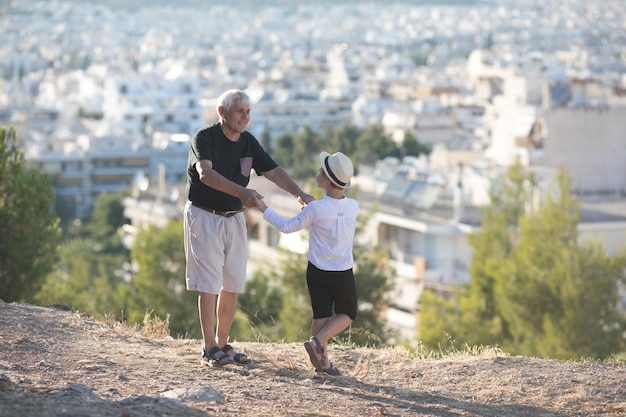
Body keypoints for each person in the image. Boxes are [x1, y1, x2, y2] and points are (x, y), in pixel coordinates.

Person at [183, 89, 314, 367]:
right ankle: (208, 347)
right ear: (222, 112)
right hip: (205, 215)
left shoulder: (248, 143)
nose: (245, 116)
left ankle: (222, 343)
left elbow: (273, 171)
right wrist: (242, 193)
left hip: (234, 217)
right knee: (209, 283)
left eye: (248, 111)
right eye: (240, 111)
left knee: (232, 282)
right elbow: (206, 174)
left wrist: (299, 193)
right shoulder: (204, 138)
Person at [255, 151, 359, 376]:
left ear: (326, 181)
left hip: (316, 271)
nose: (317, 173)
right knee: (348, 313)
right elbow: (334, 218)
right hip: (341, 271)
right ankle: (320, 348)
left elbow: (287, 226)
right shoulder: (353, 207)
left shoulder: (315, 209)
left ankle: (321, 358)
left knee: (321, 315)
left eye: (321, 171)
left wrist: (264, 209)